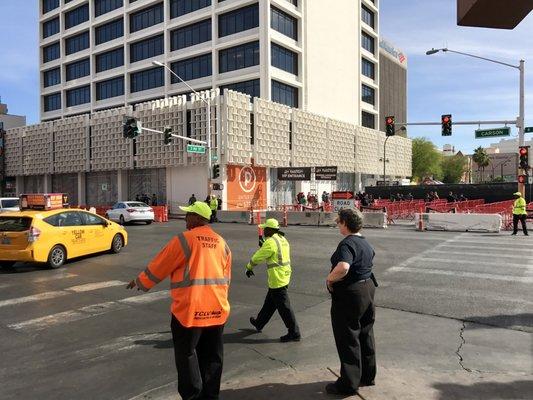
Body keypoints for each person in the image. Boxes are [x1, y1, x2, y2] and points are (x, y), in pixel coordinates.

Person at [126, 201, 231, 400]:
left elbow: (161, 264)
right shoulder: (221, 243)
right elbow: (226, 279)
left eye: (189, 214)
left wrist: (140, 281)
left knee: (187, 355)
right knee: (212, 357)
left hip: (189, 311)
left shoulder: (185, 240)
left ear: (199, 218)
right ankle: (211, 396)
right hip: (217, 310)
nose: (185, 218)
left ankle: (192, 396)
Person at [325, 209, 377, 396]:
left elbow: (344, 267)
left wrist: (330, 279)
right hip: (368, 289)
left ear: (346, 223)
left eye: (339, 221)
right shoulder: (365, 242)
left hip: (350, 294)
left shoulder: (347, 244)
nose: (338, 224)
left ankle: (348, 383)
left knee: (348, 337)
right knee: (365, 333)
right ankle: (367, 375)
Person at [246, 218, 301, 342]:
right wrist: (264, 243)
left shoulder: (270, 242)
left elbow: (257, 257)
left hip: (277, 278)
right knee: (270, 303)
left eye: (265, 228)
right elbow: (274, 252)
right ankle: (259, 323)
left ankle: (294, 332)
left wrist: (249, 267)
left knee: (284, 307)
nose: (264, 230)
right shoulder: (282, 239)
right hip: (284, 275)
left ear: (270, 230)